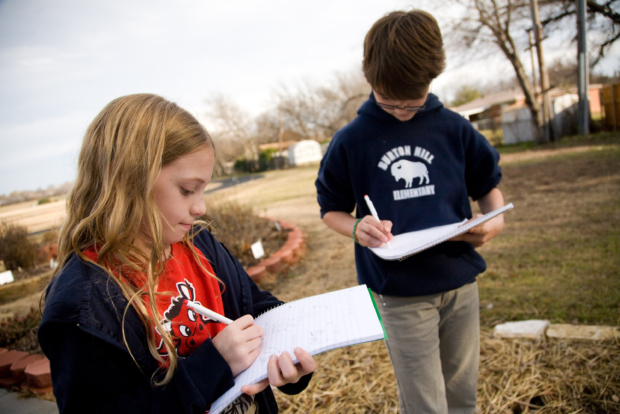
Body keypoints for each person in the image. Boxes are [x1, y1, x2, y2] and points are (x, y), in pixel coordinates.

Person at [39, 94, 316, 414]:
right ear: (127, 180)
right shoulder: (83, 306)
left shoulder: (200, 245)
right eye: (187, 190)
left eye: (203, 190)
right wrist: (213, 366)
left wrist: (289, 352)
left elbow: (253, 307)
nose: (200, 208)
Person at [315, 10, 505, 414]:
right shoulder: (352, 140)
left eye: (412, 100)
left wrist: (493, 219)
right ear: (370, 76)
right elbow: (330, 209)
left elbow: (488, 185)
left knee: (461, 394)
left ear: (433, 76)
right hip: (398, 294)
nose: (401, 109)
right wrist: (356, 228)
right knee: (425, 403)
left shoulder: (454, 129)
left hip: (459, 284)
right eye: (390, 99)